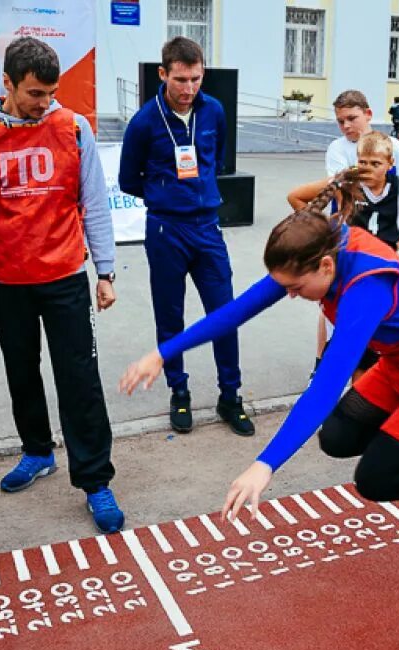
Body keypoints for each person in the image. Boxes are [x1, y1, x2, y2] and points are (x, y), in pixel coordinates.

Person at [120, 173, 399, 521]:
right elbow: (235, 312)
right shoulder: (315, 247)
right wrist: (162, 352)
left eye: (295, 288)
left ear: (326, 268)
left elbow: (325, 387)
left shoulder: (366, 290)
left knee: (375, 480)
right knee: (336, 439)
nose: (290, 295)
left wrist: (265, 465)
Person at [0, 37, 124, 533]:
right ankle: (36, 451)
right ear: (6, 83)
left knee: (80, 380)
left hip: (67, 276)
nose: (43, 103)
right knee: (21, 372)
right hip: (7, 281)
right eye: (33, 94)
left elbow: (95, 201)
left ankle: (95, 481)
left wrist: (105, 273)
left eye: (50, 93)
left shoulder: (74, 128)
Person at [119, 37, 253, 438]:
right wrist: (167, 196)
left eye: (196, 78)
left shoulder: (213, 111)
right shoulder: (144, 121)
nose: (189, 88)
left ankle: (230, 394)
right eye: (180, 79)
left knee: (224, 314)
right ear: (163, 74)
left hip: (207, 229)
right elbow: (129, 180)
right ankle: (179, 391)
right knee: (170, 316)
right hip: (165, 230)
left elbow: (219, 159)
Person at [289, 132, 399, 379]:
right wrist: (325, 232)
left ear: (390, 165)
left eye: (375, 163)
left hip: (384, 268)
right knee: (352, 333)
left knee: (380, 334)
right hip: (352, 269)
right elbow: (296, 196)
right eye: (362, 162)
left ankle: (365, 392)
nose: (367, 168)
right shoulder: (346, 184)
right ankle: (328, 379)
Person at [327, 90, 399, 181]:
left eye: (351, 118)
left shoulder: (393, 144)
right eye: (341, 121)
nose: (346, 126)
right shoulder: (337, 148)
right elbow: (341, 185)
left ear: (368, 114)